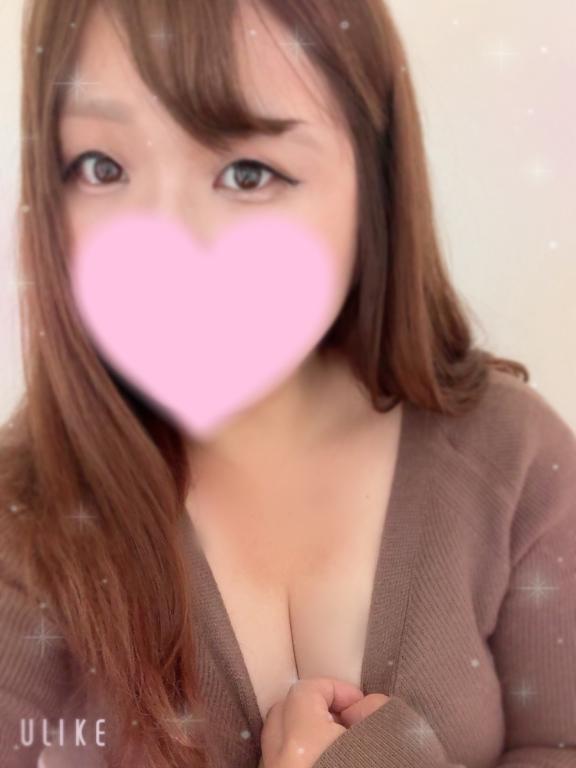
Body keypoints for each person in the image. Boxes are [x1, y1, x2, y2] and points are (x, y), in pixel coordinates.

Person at [1, 0, 574, 767]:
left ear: (375, 186)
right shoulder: (26, 515)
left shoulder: (515, 461)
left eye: (248, 172)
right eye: (101, 167)